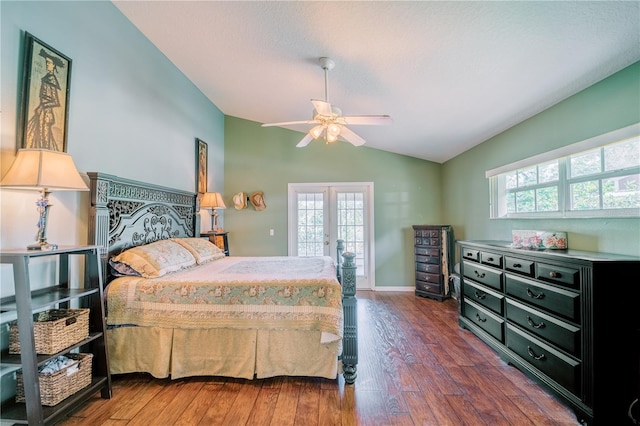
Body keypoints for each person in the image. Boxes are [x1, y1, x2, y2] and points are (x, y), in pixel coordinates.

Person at [25, 48, 65, 151]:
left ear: (53, 65)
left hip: (46, 114)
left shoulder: (51, 80)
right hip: (42, 112)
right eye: (46, 62)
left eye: (49, 63)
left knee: (44, 141)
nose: (47, 64)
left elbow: (56, 101)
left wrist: (43, 106)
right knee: (37, 136)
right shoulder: (47, 78)